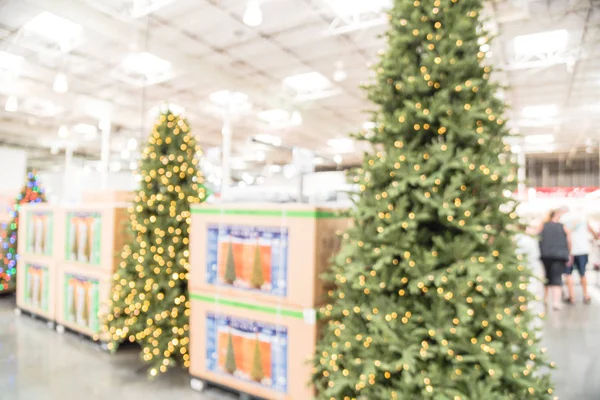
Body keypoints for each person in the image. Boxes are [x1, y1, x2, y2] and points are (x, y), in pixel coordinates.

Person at [562, 208, 598, 304]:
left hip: (569, 251)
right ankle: (586, 295)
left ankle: (572, 297)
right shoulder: (583, 217)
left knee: (568, 273)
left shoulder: (564, 219)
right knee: (582, 273)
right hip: (582, 250)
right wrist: (596, 238)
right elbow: (592, 231)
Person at [538, 208, 571, 310]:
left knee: (546, 277)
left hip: (545, 255)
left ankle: (545, 300)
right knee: (557, 278)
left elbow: (537, 237)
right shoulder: (563, 226)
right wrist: (569, 253)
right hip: (559, 255)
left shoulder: (543, 225)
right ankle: (556, 302)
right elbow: (569, 240)